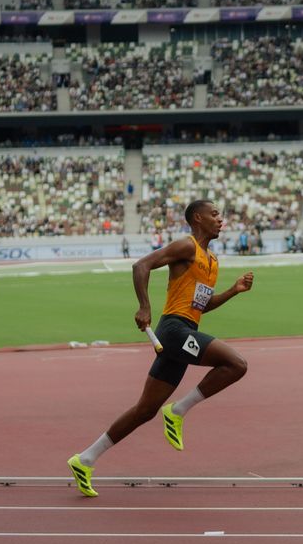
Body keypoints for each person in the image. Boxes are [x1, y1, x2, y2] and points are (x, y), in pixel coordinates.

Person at [67, 199, 254, 498]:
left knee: (144, 410)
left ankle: (85, 459)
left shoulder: (212, 261)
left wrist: (233, 291)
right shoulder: (187, 247)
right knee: (236, 364)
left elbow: (201, 306)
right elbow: (141, 265)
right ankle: (178, 410)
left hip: (184, 332)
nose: (221, 219)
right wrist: (144, 306)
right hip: (173, 330)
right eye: (215, 214)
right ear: (198, 218)